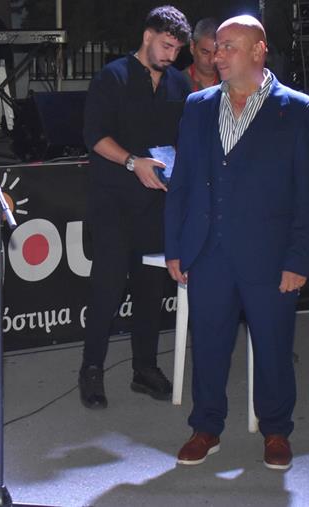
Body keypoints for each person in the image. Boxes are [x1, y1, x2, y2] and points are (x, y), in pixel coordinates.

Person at [165, 15, 309, 470]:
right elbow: (182, 182)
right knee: (208, 346)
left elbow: (308, 194)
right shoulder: (197, 105)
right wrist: (175, 246)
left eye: (229, 46)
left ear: (258, 50)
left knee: (273, 346)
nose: (218, 55)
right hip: (208, 252)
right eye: (216, 47)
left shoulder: (299, 110)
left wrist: (298, 259)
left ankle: (276, 430)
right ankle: (206, 427)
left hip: (270, 257)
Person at [79, 5, 191, 409]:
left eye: (177, 49)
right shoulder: (113, 76)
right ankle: (91, 370)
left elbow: (184, 138)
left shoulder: (179, 83)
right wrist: (132, 162)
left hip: (157, 205)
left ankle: (145, 368)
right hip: (113, 202)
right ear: (147, 36)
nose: (171, 55)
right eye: (166, 46)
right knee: (107, 290)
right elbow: (94, 136)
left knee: (150, 291)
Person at [182, 18, 220, 92]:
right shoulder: (174, 84)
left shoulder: (231, 83)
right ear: (192, 47)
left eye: (216, 53)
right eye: (205, 52)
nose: (212, 60)